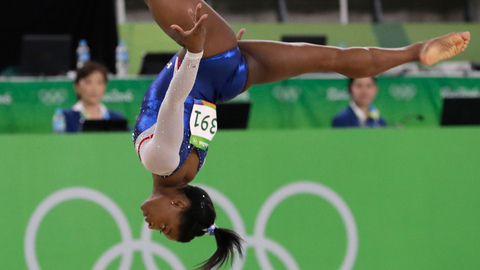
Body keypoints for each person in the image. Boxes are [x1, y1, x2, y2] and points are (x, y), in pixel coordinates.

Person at [133, 2, 470, 269]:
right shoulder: (162, 163)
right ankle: (416, 52)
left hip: (228, 80)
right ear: (178, 202)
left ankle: (415, 52)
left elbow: (192, 109)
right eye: (165, 227)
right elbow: (176, 101)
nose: (152, 227)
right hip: (208, 59)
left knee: (331, 59)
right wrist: (195, 52)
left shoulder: (187, 171)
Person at [56, 61, 128, 132]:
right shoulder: (64, 117)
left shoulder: (116, 118)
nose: (94, 88)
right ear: (76, 86)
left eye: (99, 82)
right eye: (88, 82)